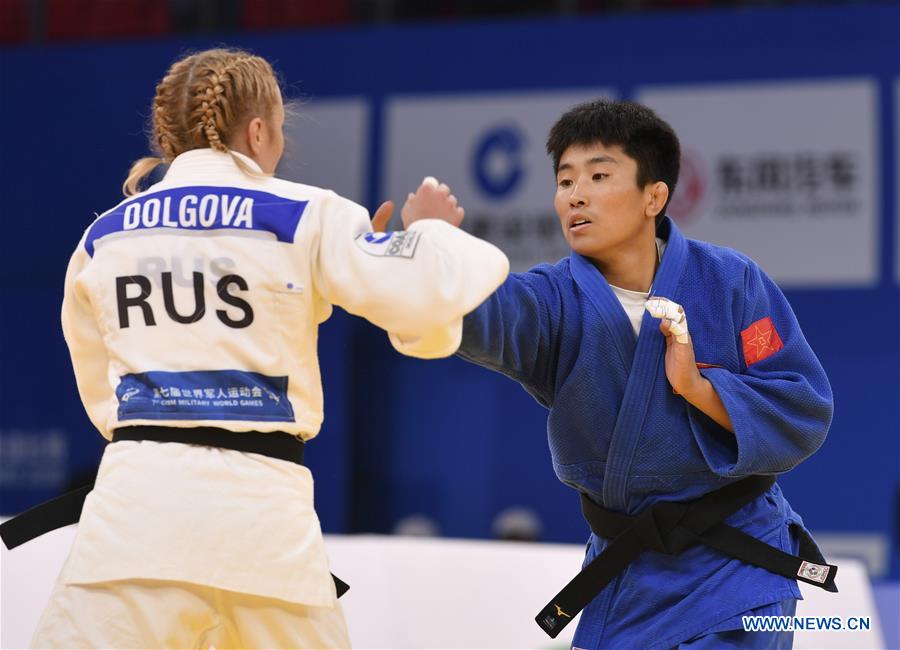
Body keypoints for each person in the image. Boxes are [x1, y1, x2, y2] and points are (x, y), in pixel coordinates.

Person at [13, 48, 508, 649]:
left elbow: (102, 392)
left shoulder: (104, 236)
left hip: (132, 525)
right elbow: (422, 304)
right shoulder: (305, 214)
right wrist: (430, 234)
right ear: (257, 130)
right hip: (265, 534)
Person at [405, 99, 835, 648]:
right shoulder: (553, 300)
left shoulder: (732, 284)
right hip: (628, 578)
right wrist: (422, 255)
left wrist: (698, 389)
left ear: (654, 196)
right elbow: (478, 315)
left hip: (737, 570)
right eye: (564, 181)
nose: (575, 194)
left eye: (599, 175)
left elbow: (800, 404)